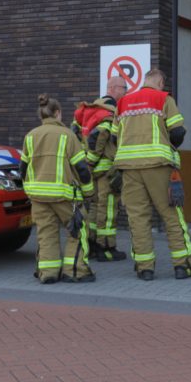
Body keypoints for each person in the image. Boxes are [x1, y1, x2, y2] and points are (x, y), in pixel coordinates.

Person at [113, 68, 191, 281]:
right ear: (160, 82)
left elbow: (115, 138)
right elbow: (177, 132)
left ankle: (145, 268)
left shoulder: (123, 102)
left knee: (138, 218)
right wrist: (169, 147)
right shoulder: (163, 98)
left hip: (129, 169)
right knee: (171, 215)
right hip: (158, 167)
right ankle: (182, 265)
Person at [20, 94, 96, 284]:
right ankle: (75, 271)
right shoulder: (68, 136)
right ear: (58, 113)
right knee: (78, 230)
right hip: (64, 197)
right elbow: (82, 170)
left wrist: (29, 189)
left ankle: (48, 273)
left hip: (38, 196)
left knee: (46, 233)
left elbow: (22, 169)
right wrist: (88, 192)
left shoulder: (30, 136)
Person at [73, 75, 128, 261]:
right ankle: (107, 248)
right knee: (109, 208)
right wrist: (91, 159)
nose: (126, 91)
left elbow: (76, 132)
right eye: (123, 87)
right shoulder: (109, 111)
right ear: (112, 88)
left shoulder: (90, 109)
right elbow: (100, 136)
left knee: (96, 206)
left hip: (92, 170)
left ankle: (94, 243)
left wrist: (86, 162)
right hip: (105, 170)